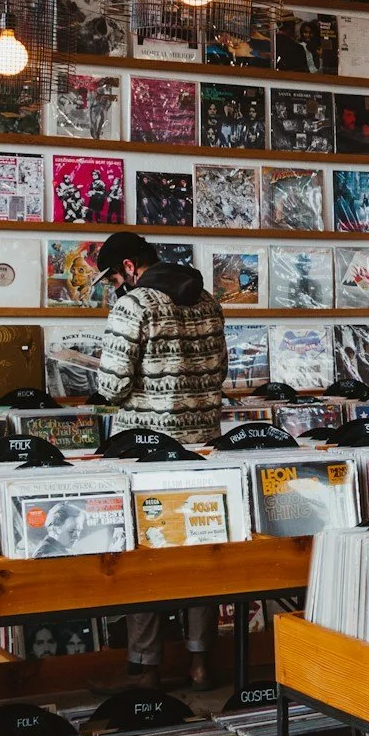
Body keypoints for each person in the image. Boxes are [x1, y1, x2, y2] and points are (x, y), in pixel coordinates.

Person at [94, 231, 228, 690]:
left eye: (113, 276)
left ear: (130, 267)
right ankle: (200, 663)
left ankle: (145, 667)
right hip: (204, 451)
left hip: (146, 454)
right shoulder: (208, 301)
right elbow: (220, 372)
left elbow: (111, 387)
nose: (114, 285)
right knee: (199, 551)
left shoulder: (134, 306)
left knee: (143, 556)